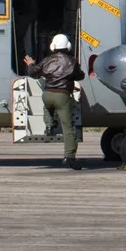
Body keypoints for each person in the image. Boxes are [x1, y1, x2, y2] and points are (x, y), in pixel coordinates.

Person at [24, 34, 85, 169]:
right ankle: (69, 157)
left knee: (47, 107)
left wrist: (31, 64)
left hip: (47, 94)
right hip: (62, 96)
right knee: (68, 128)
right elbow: (80, 76)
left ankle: (49, 125)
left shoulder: (47, 60)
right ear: (68, 46)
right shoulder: (72, 61)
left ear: (53, 46)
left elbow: (34, 73)